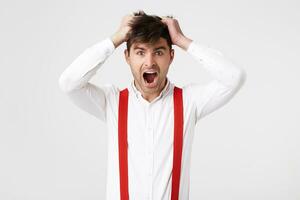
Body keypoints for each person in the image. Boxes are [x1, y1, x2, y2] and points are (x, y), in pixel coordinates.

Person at [58, 10, 246, 200]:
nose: (150, 62)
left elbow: (234, 77)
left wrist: (181, 40)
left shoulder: (189, 101)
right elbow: (68, 83)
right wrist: (116, 38)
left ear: (171, 56)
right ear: (127, 57)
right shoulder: (112, 102)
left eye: (158, 52)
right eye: (140, 52)